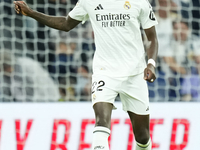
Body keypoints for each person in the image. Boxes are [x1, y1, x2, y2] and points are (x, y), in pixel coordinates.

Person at [14, 0, 158, 149]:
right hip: (105, 72)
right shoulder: (89, 1)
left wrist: (151, 63)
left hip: (134, 74)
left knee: (142, 137)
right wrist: (31, 12)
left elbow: (152, 37)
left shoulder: (139, 2)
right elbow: (65, 24)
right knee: (101, 122)